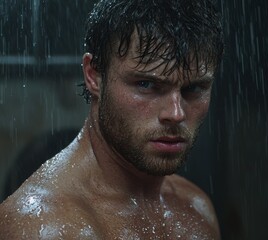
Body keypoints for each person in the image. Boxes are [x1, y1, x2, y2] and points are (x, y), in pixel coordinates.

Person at [0, 0, 224, 238]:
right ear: (94, 75)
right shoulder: (42, 226)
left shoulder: (196, 209)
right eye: (146, 84)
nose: (176, 113)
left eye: (194, 88)